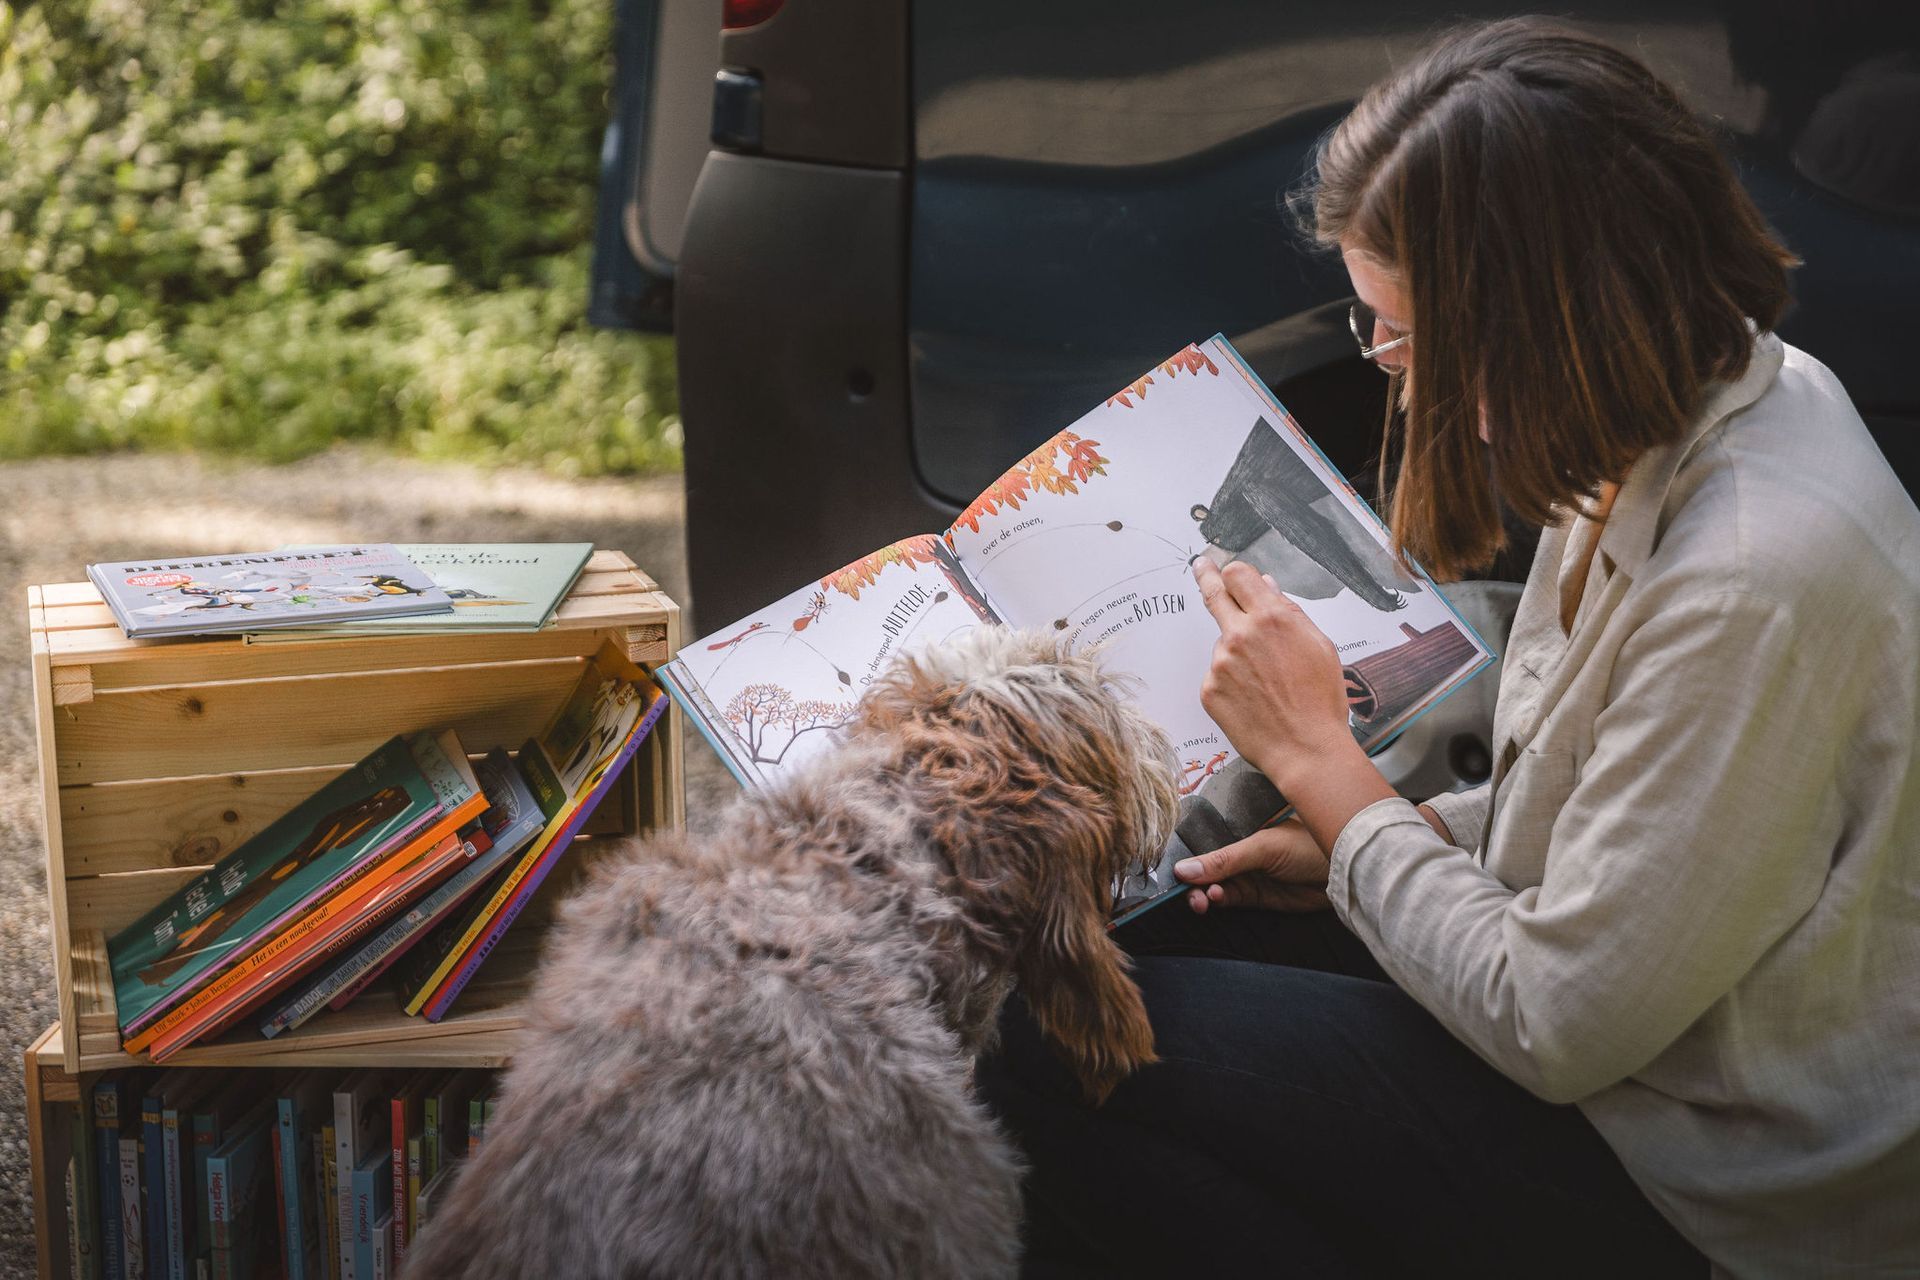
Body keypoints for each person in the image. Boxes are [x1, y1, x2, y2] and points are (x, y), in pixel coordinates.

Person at [978, 17, 1920, 1278]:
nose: (1401, 384)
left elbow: (1554, 1019)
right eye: (1376, 331)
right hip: (1639, 1059)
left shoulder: (1751, 570)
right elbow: (1622, 824)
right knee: (1081, 952)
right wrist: (1386, 841)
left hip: (1703, 1186)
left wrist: (1327, 764)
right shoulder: (1695, 399)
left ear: (1541, 319)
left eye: (1407, 336)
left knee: (1043, 1039)